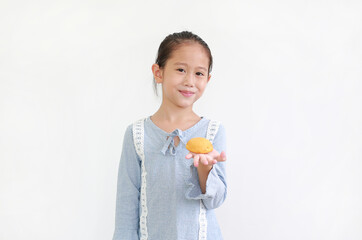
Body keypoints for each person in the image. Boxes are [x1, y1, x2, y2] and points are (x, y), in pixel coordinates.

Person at [112, 31, 227, 240]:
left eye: (199, 73)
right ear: (159, 72)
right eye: (181, 69)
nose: (190, 81)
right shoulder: (137, 134)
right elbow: (126, 208)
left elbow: (215, 200)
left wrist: (205, 168)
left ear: (208, 79)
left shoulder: (213, 131)